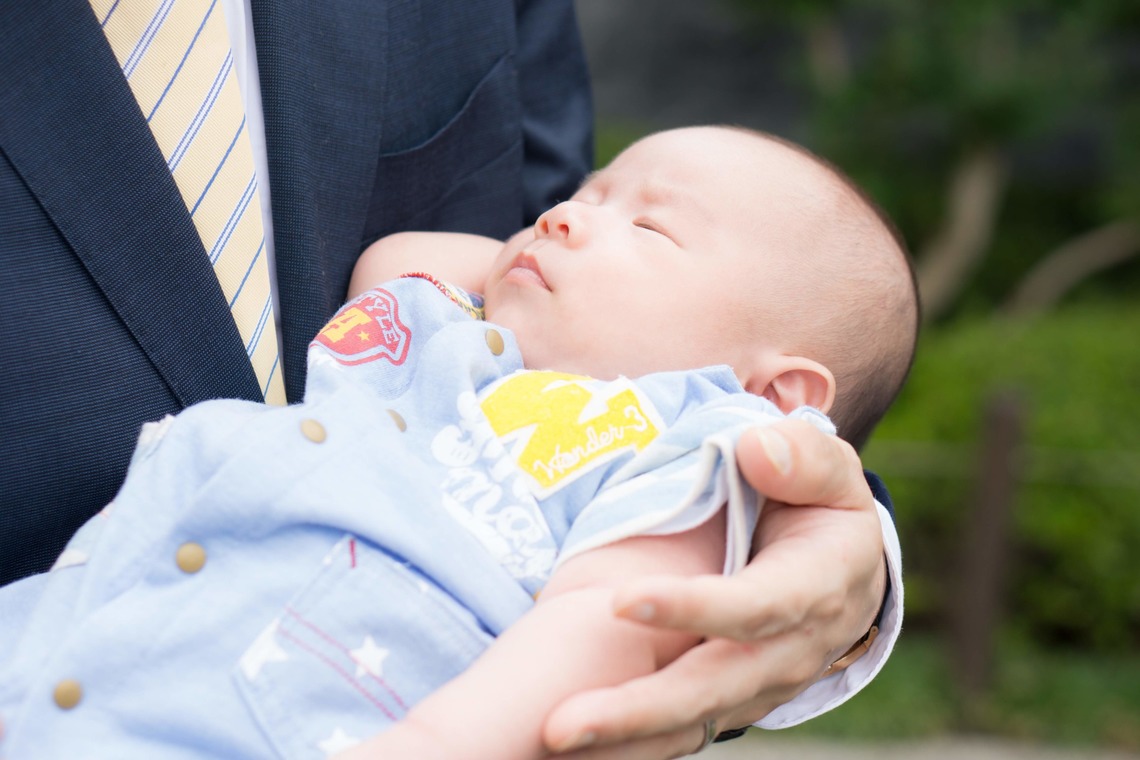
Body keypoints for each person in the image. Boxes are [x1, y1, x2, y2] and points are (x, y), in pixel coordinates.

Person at [0, 2, 897, 754]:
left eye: (653, 231)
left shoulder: (683, 448)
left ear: (776, 398)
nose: (561, 220)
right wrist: (536, 263)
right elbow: (391, 261)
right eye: (585, 196)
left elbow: (603, 627)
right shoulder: (457, 339)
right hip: (59, 626)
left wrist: (434, 747)